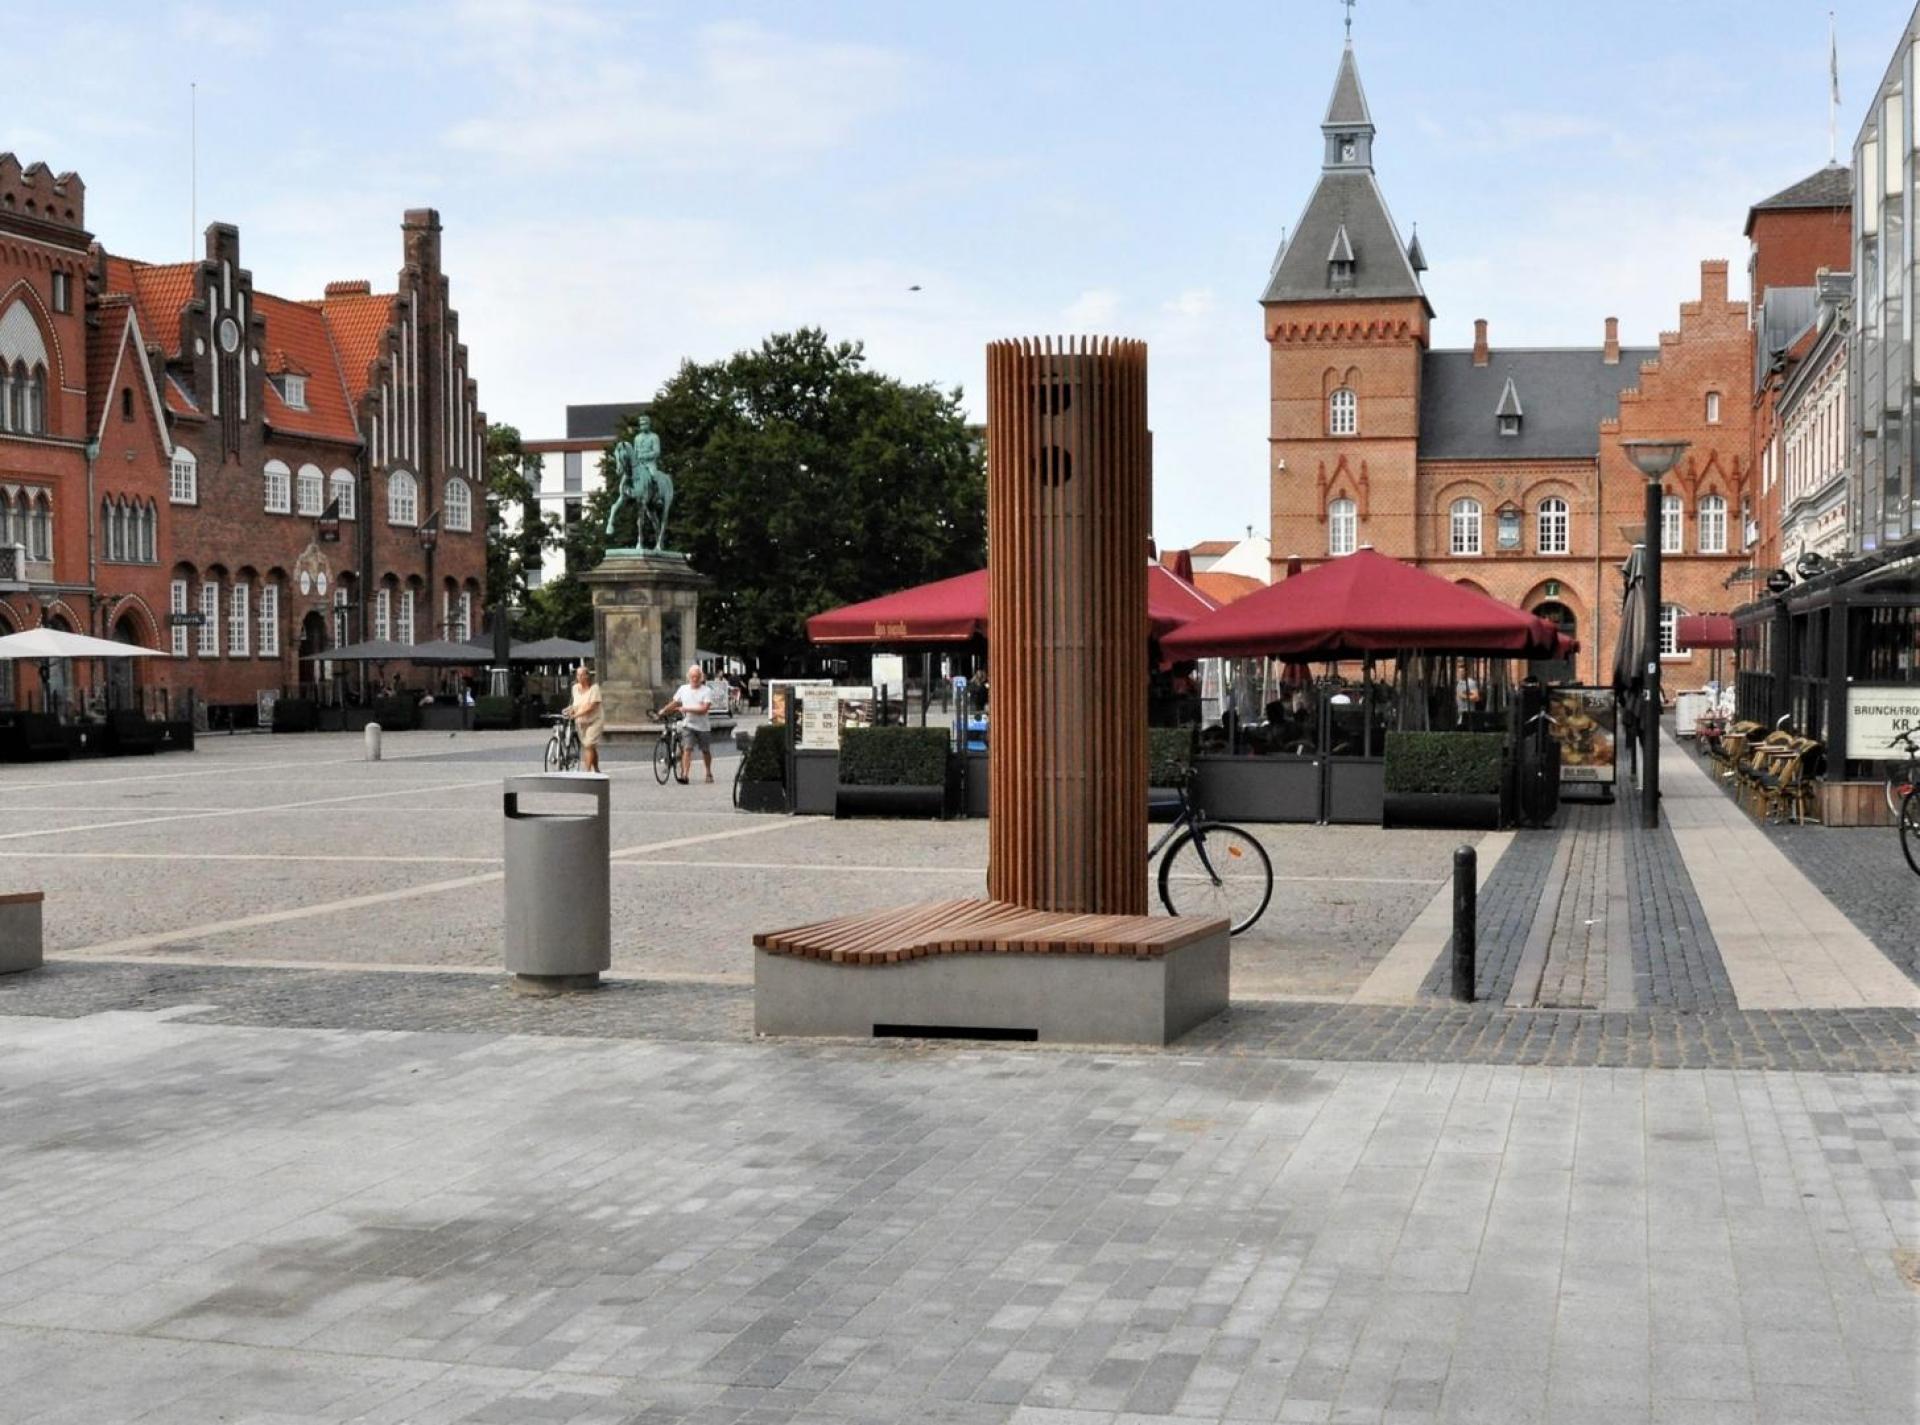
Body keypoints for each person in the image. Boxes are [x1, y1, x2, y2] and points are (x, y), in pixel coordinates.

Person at [658, 663, 715, 783]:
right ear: (689, 677)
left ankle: (708, 772)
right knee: (687, 749)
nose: (694, 679)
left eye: (697, 677)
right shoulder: (683, 689)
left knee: (705, 750)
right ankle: (685, 775)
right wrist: (664, 710)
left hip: (703, 726)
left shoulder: (706, 691)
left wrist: (686, 709)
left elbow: (704, 709)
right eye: (692, 677)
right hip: (688, 724)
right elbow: (675, 702)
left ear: (701, 677)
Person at [561, 664, 603, 772]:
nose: (579, 677)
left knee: (588, 745)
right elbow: (576, 704)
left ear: (587, 676)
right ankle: (596, 769)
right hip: (581, 722)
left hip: (594, 721)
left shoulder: (594, 688)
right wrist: (569, 709)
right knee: (590, 746)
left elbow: (591, 706)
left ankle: (587, 772)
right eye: (578, 675)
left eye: (582, 675)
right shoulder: (575, 688)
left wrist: (576, 715)